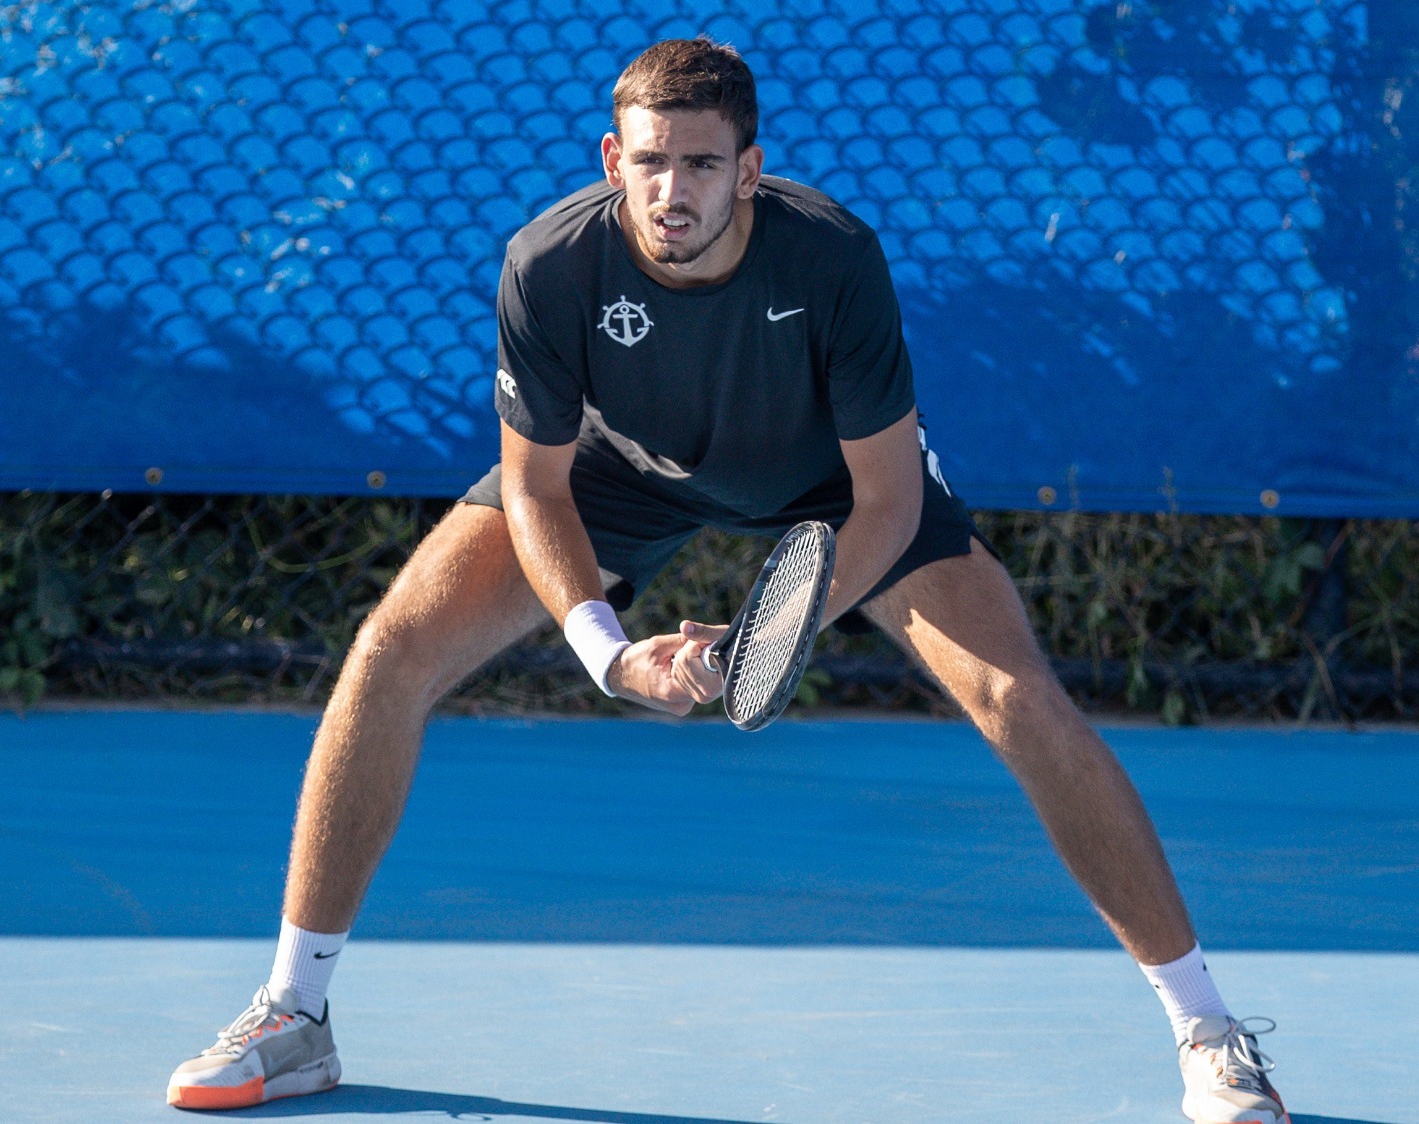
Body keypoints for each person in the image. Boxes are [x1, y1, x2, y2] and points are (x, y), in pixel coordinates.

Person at [165, 37, 1288, 1124]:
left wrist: (769, 629)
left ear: (747, 171)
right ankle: (294, 1011)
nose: (671, 189)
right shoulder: (547, 267)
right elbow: (536, 490)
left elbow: (888, 499)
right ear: (612, 162)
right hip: (621, 473)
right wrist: (605, 650)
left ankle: (1205, 1031)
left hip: (833, 487)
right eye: (648, 161)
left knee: (1014, 695)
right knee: (390, 649)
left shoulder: (830, 257)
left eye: (700, 163)